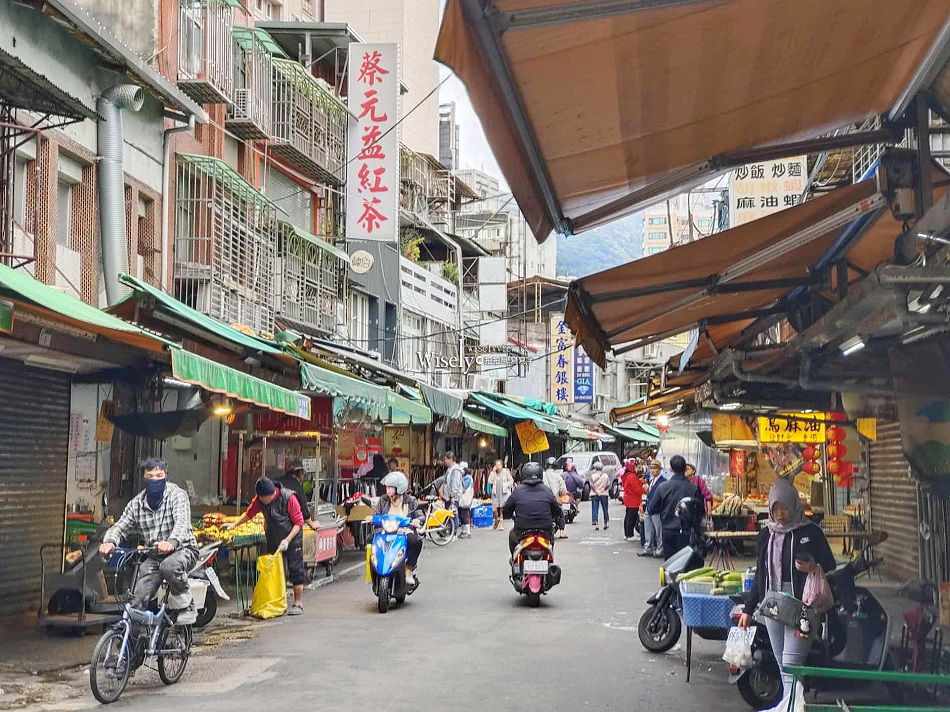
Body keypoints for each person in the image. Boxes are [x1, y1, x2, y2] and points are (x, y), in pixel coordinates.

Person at [738, 478, 836, 712]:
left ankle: (792, 708)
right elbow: (761, 574)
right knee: (783, 664)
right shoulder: (766, 535)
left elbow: (829, 563)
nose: (780, 514)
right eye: (775, 509)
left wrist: (813, 565)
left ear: (794, 506)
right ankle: (792, 707)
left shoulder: (810, 532)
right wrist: (749, 609)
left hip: (802, 605)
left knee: (792, 663)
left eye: (784, 508)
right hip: (772, 603)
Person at [99, 458, 199, 624]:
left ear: (166, 476)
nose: (154, 480)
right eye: (150, 476)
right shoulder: (137, 504)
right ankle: (132, 642)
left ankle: (187, 606)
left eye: (159, 475)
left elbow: (182, 523)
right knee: (136, 600)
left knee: (169, 566)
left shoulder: (177, 495)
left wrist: (172, 542)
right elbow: (121, 526)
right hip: (155, 555)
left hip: (184, 550)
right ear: (144, 478)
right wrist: (110, 541)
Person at [226, 477, 307, 615]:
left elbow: (299, 523)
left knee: (296, 569)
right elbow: (249, 514)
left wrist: (287, 540)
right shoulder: (259, 500)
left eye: (265, 498)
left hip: (292, 538)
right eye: (261, 498)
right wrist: (234, 525)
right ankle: (275, 600)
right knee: (273, 569)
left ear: (272, 494)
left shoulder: (289, 498)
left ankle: (298, 603)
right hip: (273, 537)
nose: (263, 501)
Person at [373, 472, 424, 585]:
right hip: (385, 530)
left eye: (391, 487)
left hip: (404, 531)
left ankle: (408, 569)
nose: (388, 490)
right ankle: (376, 568)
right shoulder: (383, 500)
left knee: (416, 542)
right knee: (370, 540)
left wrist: (417, 520)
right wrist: (373, 518)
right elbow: (376, 514)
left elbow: (420, 515)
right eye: (387, 487)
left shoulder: (411, 500)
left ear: (399, 488)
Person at [647, 455, 703, 558]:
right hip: (687, 533)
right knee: (686, 565)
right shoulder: (693, 489)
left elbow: (652, 509)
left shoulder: (662, 487)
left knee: (670, 564)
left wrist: (663, 510)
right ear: (685, 469)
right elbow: (700, 511)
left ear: (671, 469)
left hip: (668, 531)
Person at [502, 462, 564, 555]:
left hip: (522, 531)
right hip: (545, 531)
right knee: (551, 540)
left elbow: (506, 510)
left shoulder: (517, 491)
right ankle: (550, 557)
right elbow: (557, 510)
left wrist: (508, 515)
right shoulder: (547, 491)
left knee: (512, 535)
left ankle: (514, 558)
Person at [278, 460, 320, 531]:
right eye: (303, 473)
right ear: (300, 473)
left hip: (272, 526)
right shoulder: (298, 487)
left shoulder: (277, 481)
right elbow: (304, 510)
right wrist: (312, 524)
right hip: (288, 528)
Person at [638, 460, 665, 557]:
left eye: (655, 469)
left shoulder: (663, 482)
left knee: (658, 530)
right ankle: (648, 547)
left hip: (657, 509)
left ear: (659, 470)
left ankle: (660, 548)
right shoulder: (651, 480)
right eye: (651, 469)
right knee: (648, 529)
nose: (652, 471)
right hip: (649, 507)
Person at [542, 457, 569, 539]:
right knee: (560, 513)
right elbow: (563, 490)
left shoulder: (541, 475)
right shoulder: (558, 477)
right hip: (554, 500)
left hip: (543, 501)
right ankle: (562, 532)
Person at [620, 459, 646, 542]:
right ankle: (630, 535)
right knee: (632, 517)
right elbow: (637, 490)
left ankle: (627, 534)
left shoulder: (628, 475)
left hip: (629, 498)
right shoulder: (633, 477)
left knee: (628, 517)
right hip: (633, 499)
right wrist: (645, 490)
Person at [487, 460, 514, 531]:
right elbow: (489, 481)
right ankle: (496, 519)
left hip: (503, 492)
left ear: (502, 466)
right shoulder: (493, 473)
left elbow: (511, 480)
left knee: (502, 508)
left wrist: (506, 485)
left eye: (499, 465)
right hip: (495, 493)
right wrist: (492, 472)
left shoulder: (505, 472)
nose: (498, 467)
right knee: (494, 509)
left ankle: (501, 523)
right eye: (496, 465)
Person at [588, 461, 610, 530]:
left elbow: (591, 485)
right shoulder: (605, 476)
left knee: (595, 508)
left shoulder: (592, 476)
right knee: (605, 509)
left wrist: (597, 491)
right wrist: (602, 490)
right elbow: (608, 485)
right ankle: (606, 522)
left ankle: (596, 523)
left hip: (595, 494)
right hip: (604, 494)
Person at [457, 462, 475, 539]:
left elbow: (463, 488)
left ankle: (467, 532)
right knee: (461, 514)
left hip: (465, 500)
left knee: (464, 515)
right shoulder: (466, 477)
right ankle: (464, 531)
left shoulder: (467, 478)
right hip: (463, 500)